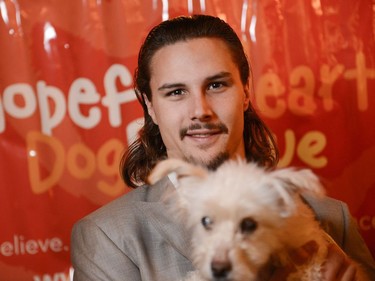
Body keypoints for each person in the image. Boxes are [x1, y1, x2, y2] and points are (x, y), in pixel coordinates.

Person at [71, 14, 375, 280]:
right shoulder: (107, 237)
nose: (200, 109)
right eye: (176, 92)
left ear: (245, 91)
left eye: (216, 85)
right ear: (150, 106)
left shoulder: (333, 217)